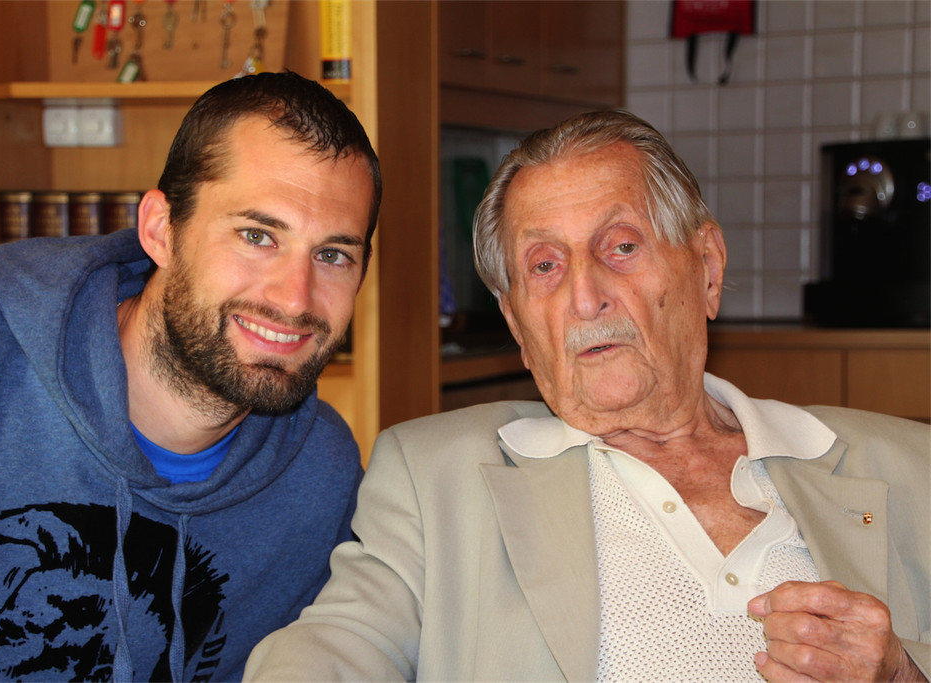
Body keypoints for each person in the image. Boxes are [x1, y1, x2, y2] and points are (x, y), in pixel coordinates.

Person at [243, 110, 929, 682]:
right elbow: (337, 647)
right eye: (544, 265)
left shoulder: (909, 467)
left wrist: (902, 673)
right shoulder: (433, 477)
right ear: (517, 323)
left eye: (621, 247)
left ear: (707, 269)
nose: (584, 295)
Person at [0, 70, 381, 682]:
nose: (295, 298)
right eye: (257, 235)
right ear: (160, 229)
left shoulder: (319, 475)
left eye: (333, 255)